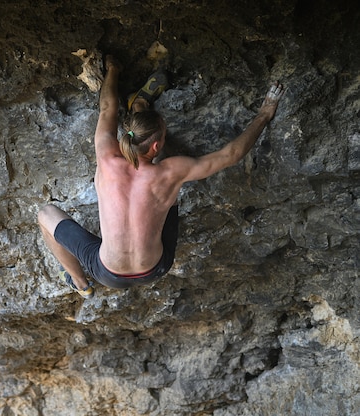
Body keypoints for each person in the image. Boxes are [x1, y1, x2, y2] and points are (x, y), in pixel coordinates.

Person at [38, 55, 284, 298]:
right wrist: (265, 113)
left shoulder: (106, 158)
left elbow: (107, 109)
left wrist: (113, 69)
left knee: (44, 215)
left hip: (107, 274)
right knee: (167, 189)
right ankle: (140, 105)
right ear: (156, 147)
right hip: (156, 268)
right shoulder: (171, 171)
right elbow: (232, 154)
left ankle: (81, 283)